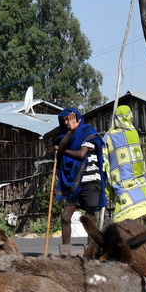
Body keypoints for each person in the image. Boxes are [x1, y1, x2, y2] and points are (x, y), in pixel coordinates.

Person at [54, 107, 106, 256]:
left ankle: (89, 254)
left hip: (90, 181)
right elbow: (61, 147)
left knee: (89, 218)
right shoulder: (64, 136)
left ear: (78, 118)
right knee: (65, 217)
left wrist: (63, 151)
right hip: (73, 183)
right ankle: (65, 254)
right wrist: (70, 131)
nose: (66, 122)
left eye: (69, 118)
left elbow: (82, 154)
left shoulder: (87, 132)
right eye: (64, 120)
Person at [102, 104, 146, 223]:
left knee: (123, 204)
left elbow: (104, 155)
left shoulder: (109, 135)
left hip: (120, 178)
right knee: (135, 207)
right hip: (138, 177)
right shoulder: (133, 132)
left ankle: (123, 234)